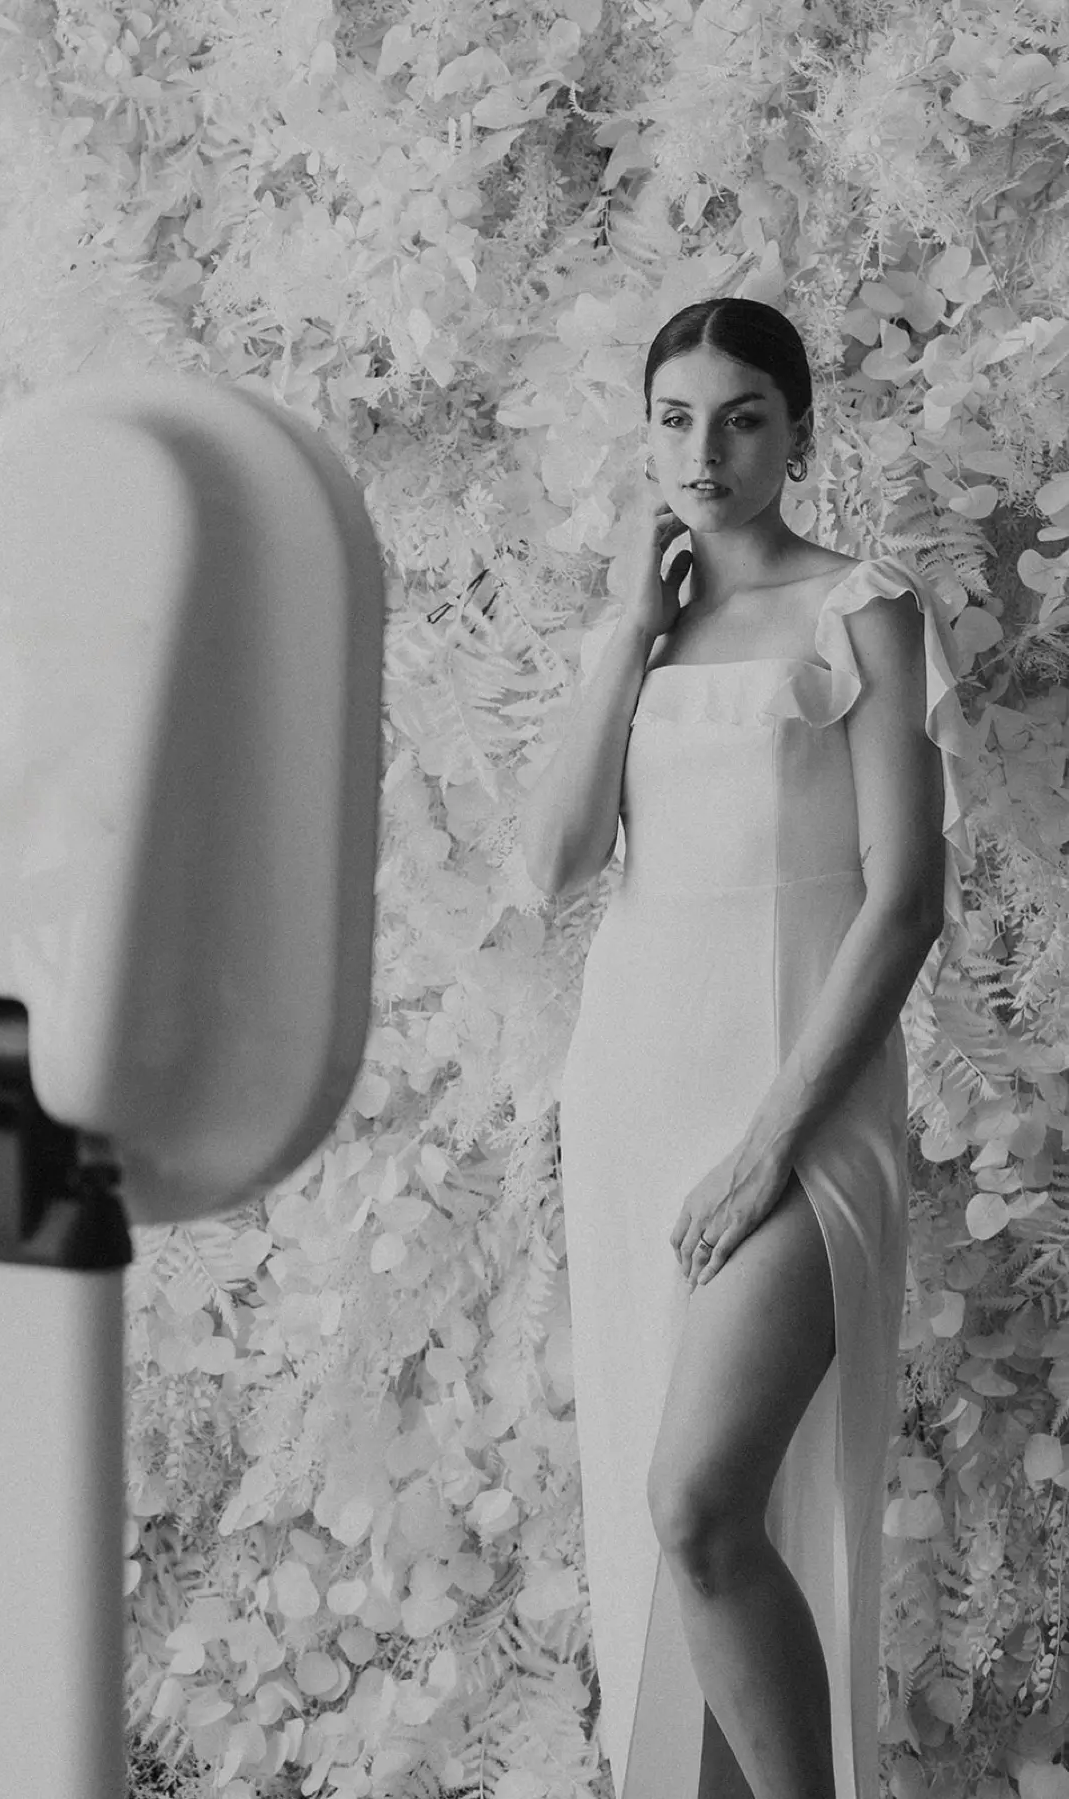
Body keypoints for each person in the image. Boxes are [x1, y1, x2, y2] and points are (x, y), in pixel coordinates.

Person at [519, 296, 977, 1799]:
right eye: (672, 419)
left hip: (800, 1092)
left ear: (797, 428)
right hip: (639, 1080)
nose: (703, 453)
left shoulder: (865, 609)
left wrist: (774, 1139)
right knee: (674, 1545)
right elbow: (557, 863)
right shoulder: (638, 631)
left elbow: (905, 902)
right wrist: (627, 636)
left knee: (700, 1501)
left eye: (741, 418)